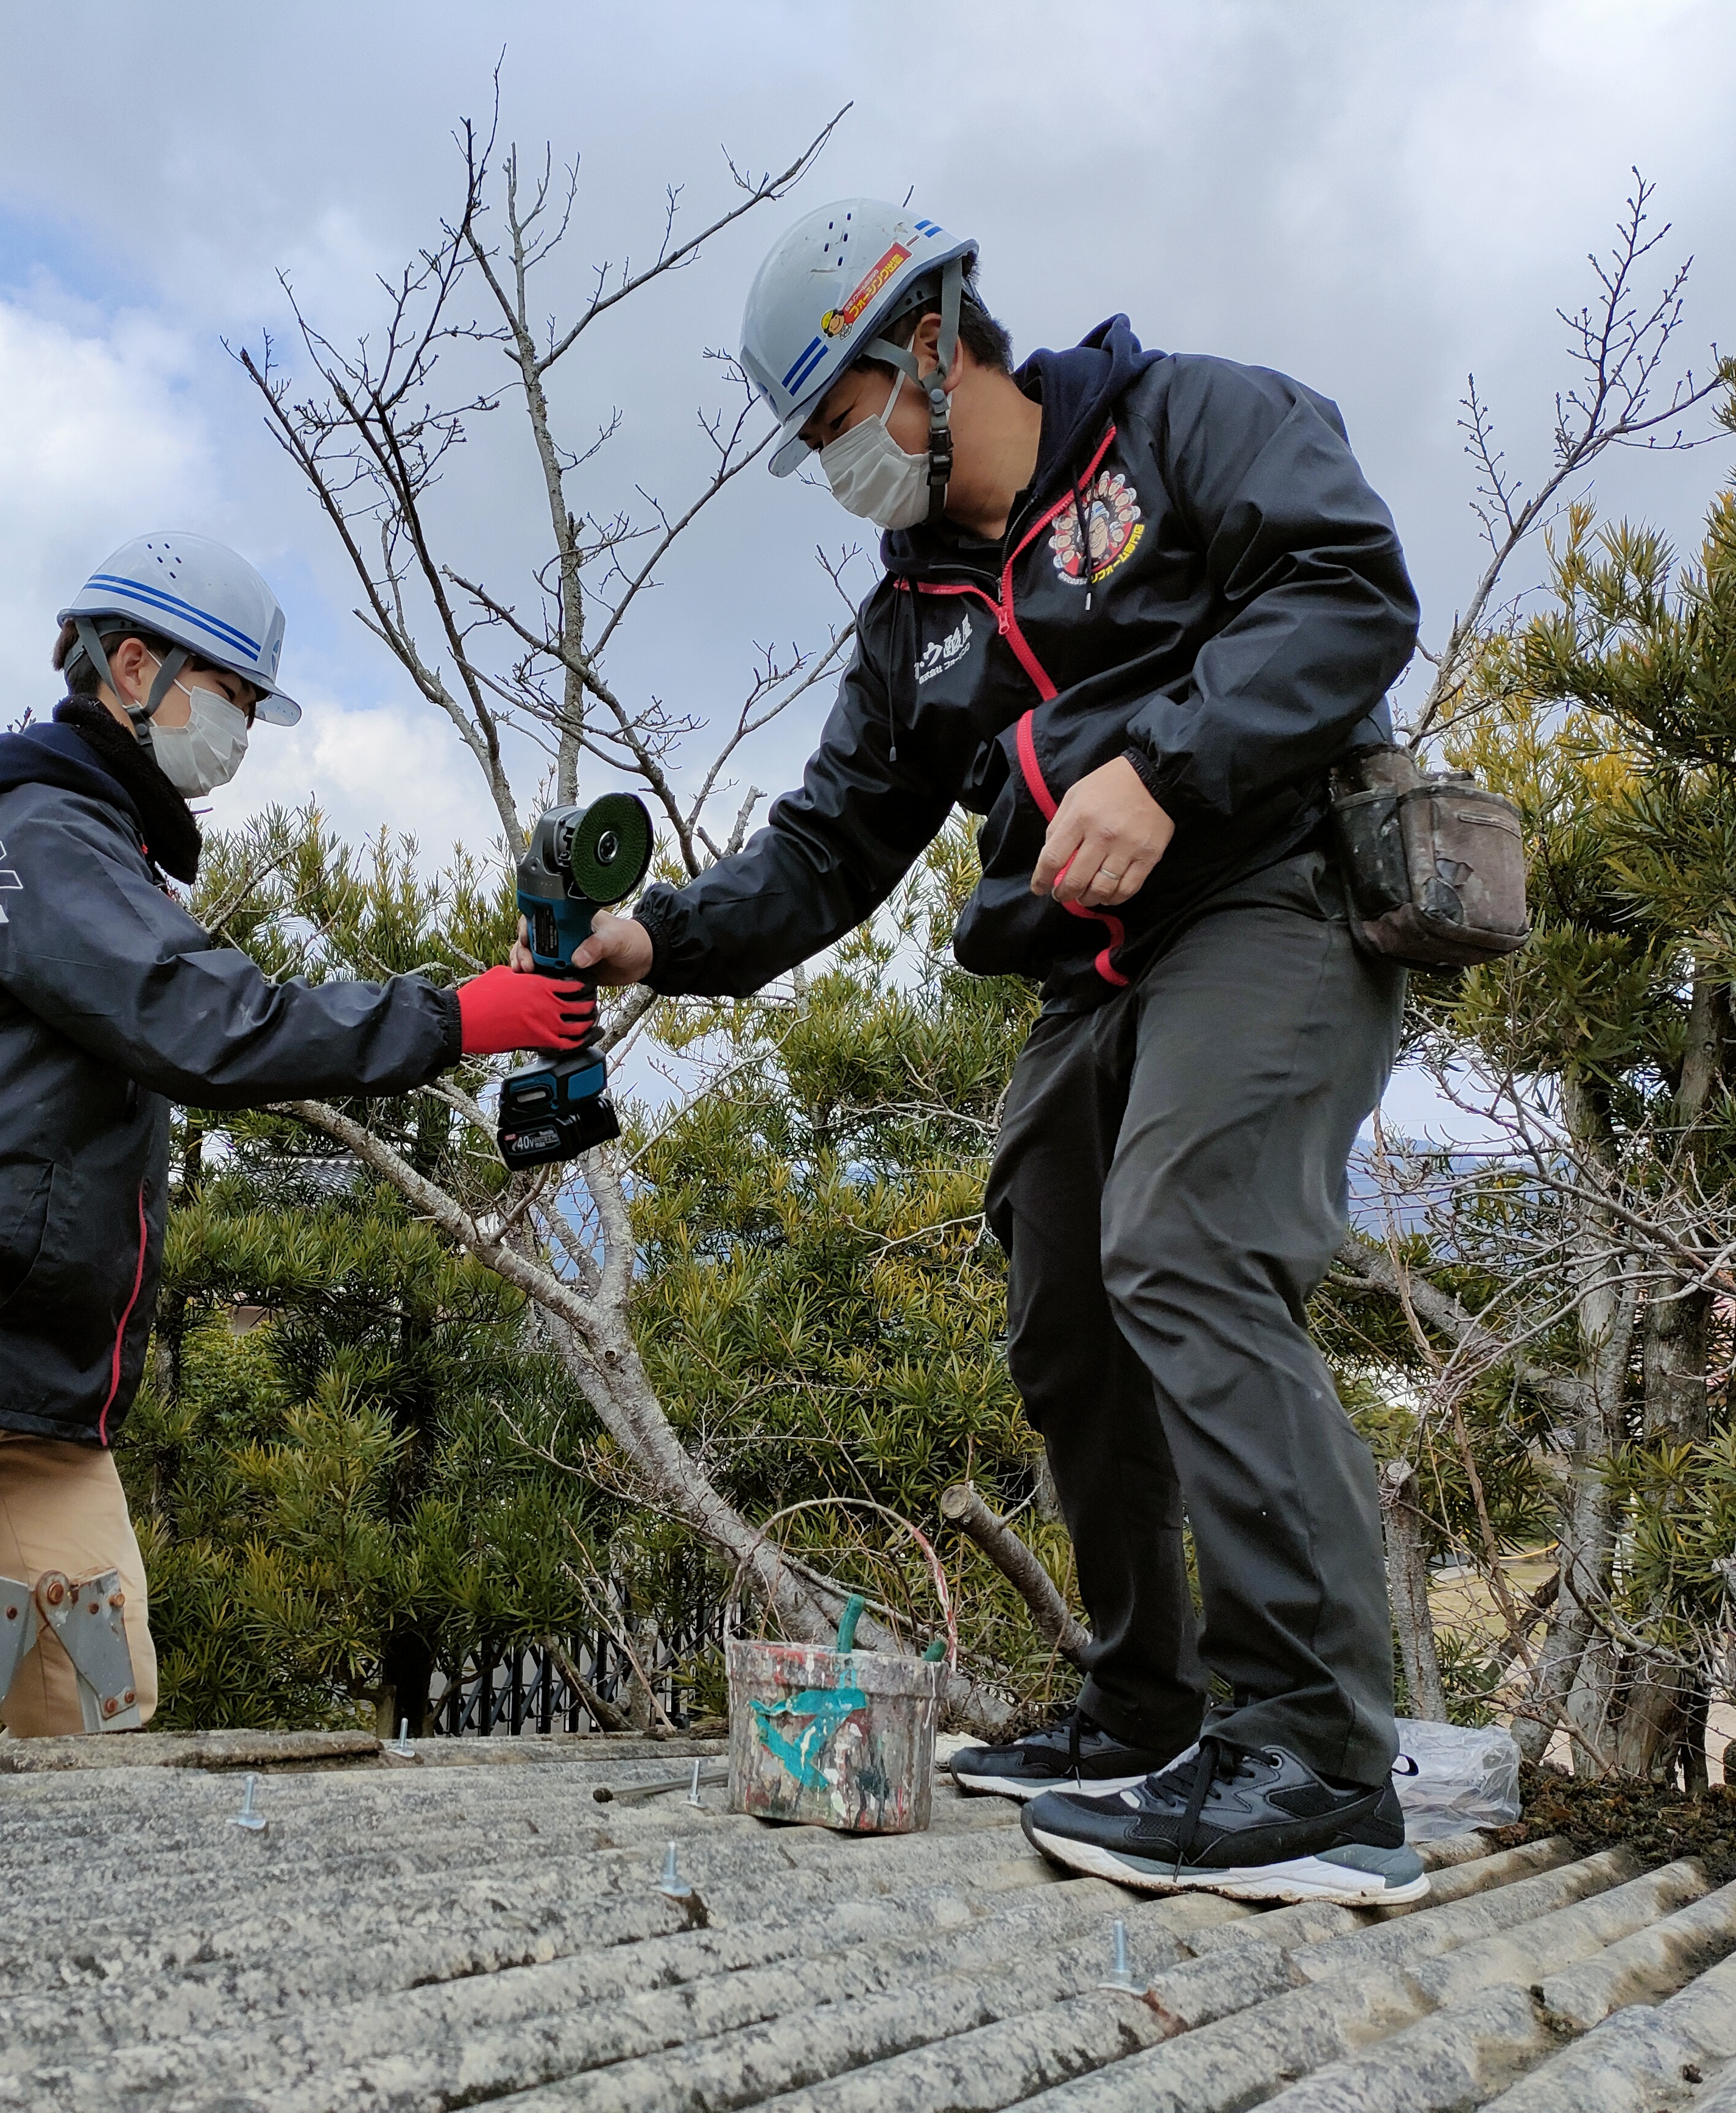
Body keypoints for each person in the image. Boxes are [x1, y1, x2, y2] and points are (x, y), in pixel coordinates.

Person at [558, 204, 1427, 1905]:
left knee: (1182, 1235)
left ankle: (1319, 1757)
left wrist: (1166, 763)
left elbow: (1350, 591)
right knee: (1062, 1282)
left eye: (837, 417)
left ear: (936, 345)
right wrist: (655, 934)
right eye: (808, 438)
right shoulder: (917, 619)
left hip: (1270, 889)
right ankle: (1141, 1703)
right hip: (1092, 968)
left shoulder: (1189, 424)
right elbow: (825, 851)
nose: (834, 463)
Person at [0, 533, 593, 1753]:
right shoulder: (36, 833)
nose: (241, 734)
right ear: (131, 668)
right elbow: (200, 1019)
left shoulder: (90, 850)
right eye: (233, 698)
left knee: (91, 1721)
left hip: (31, 1385)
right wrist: (455, 1017)